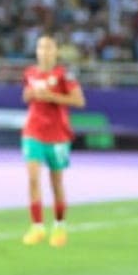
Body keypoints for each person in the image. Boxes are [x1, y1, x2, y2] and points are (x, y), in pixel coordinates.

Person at [20, 35, 86, 247]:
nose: (44, 51)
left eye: (49, 47)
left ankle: (59, 225)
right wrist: (31, 94)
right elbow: (26, 96)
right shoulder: (30, 73)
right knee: (32, 178)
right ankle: (37, 226)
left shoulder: (64, 74)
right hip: (33, 132)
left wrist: (51, 97)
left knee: (56, 182)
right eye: (41, 47)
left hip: (57, 134)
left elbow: (79, 101)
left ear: (56, 51)